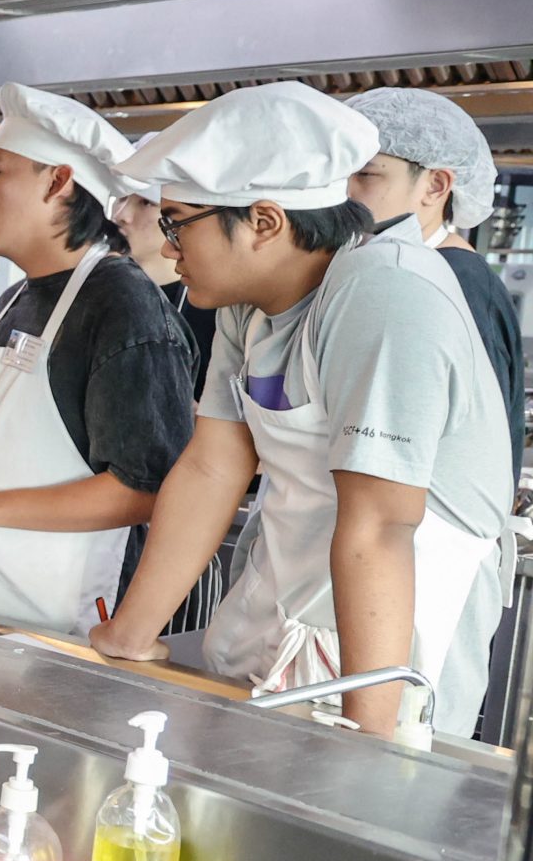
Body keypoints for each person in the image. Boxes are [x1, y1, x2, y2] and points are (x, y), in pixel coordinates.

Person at [94, 83, 513, 739]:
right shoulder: (247, 300)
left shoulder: (385, 291)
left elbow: (381, 525)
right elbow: (212, 466)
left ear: (265, 222)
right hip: (286, 599)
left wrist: (367, 739)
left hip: (389, 632)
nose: (168, 247)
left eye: (177, 223)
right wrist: (129, 635)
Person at [0, 84, 198, 634]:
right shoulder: (13, 300)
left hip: (66, 626)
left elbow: (147, 489)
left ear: (58, 181)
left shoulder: (123, 306)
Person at [343, 87, 521, 483]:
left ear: (436, 186)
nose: (346, 192)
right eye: (339, 173)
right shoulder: (388, 269)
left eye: (366, 174)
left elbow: (478, 446)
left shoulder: (459, 282)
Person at [109, 186, 220, 398]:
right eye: (121, 197)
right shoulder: (96, 293)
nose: (121, 215)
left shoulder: (214, 308)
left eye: (146, 203)